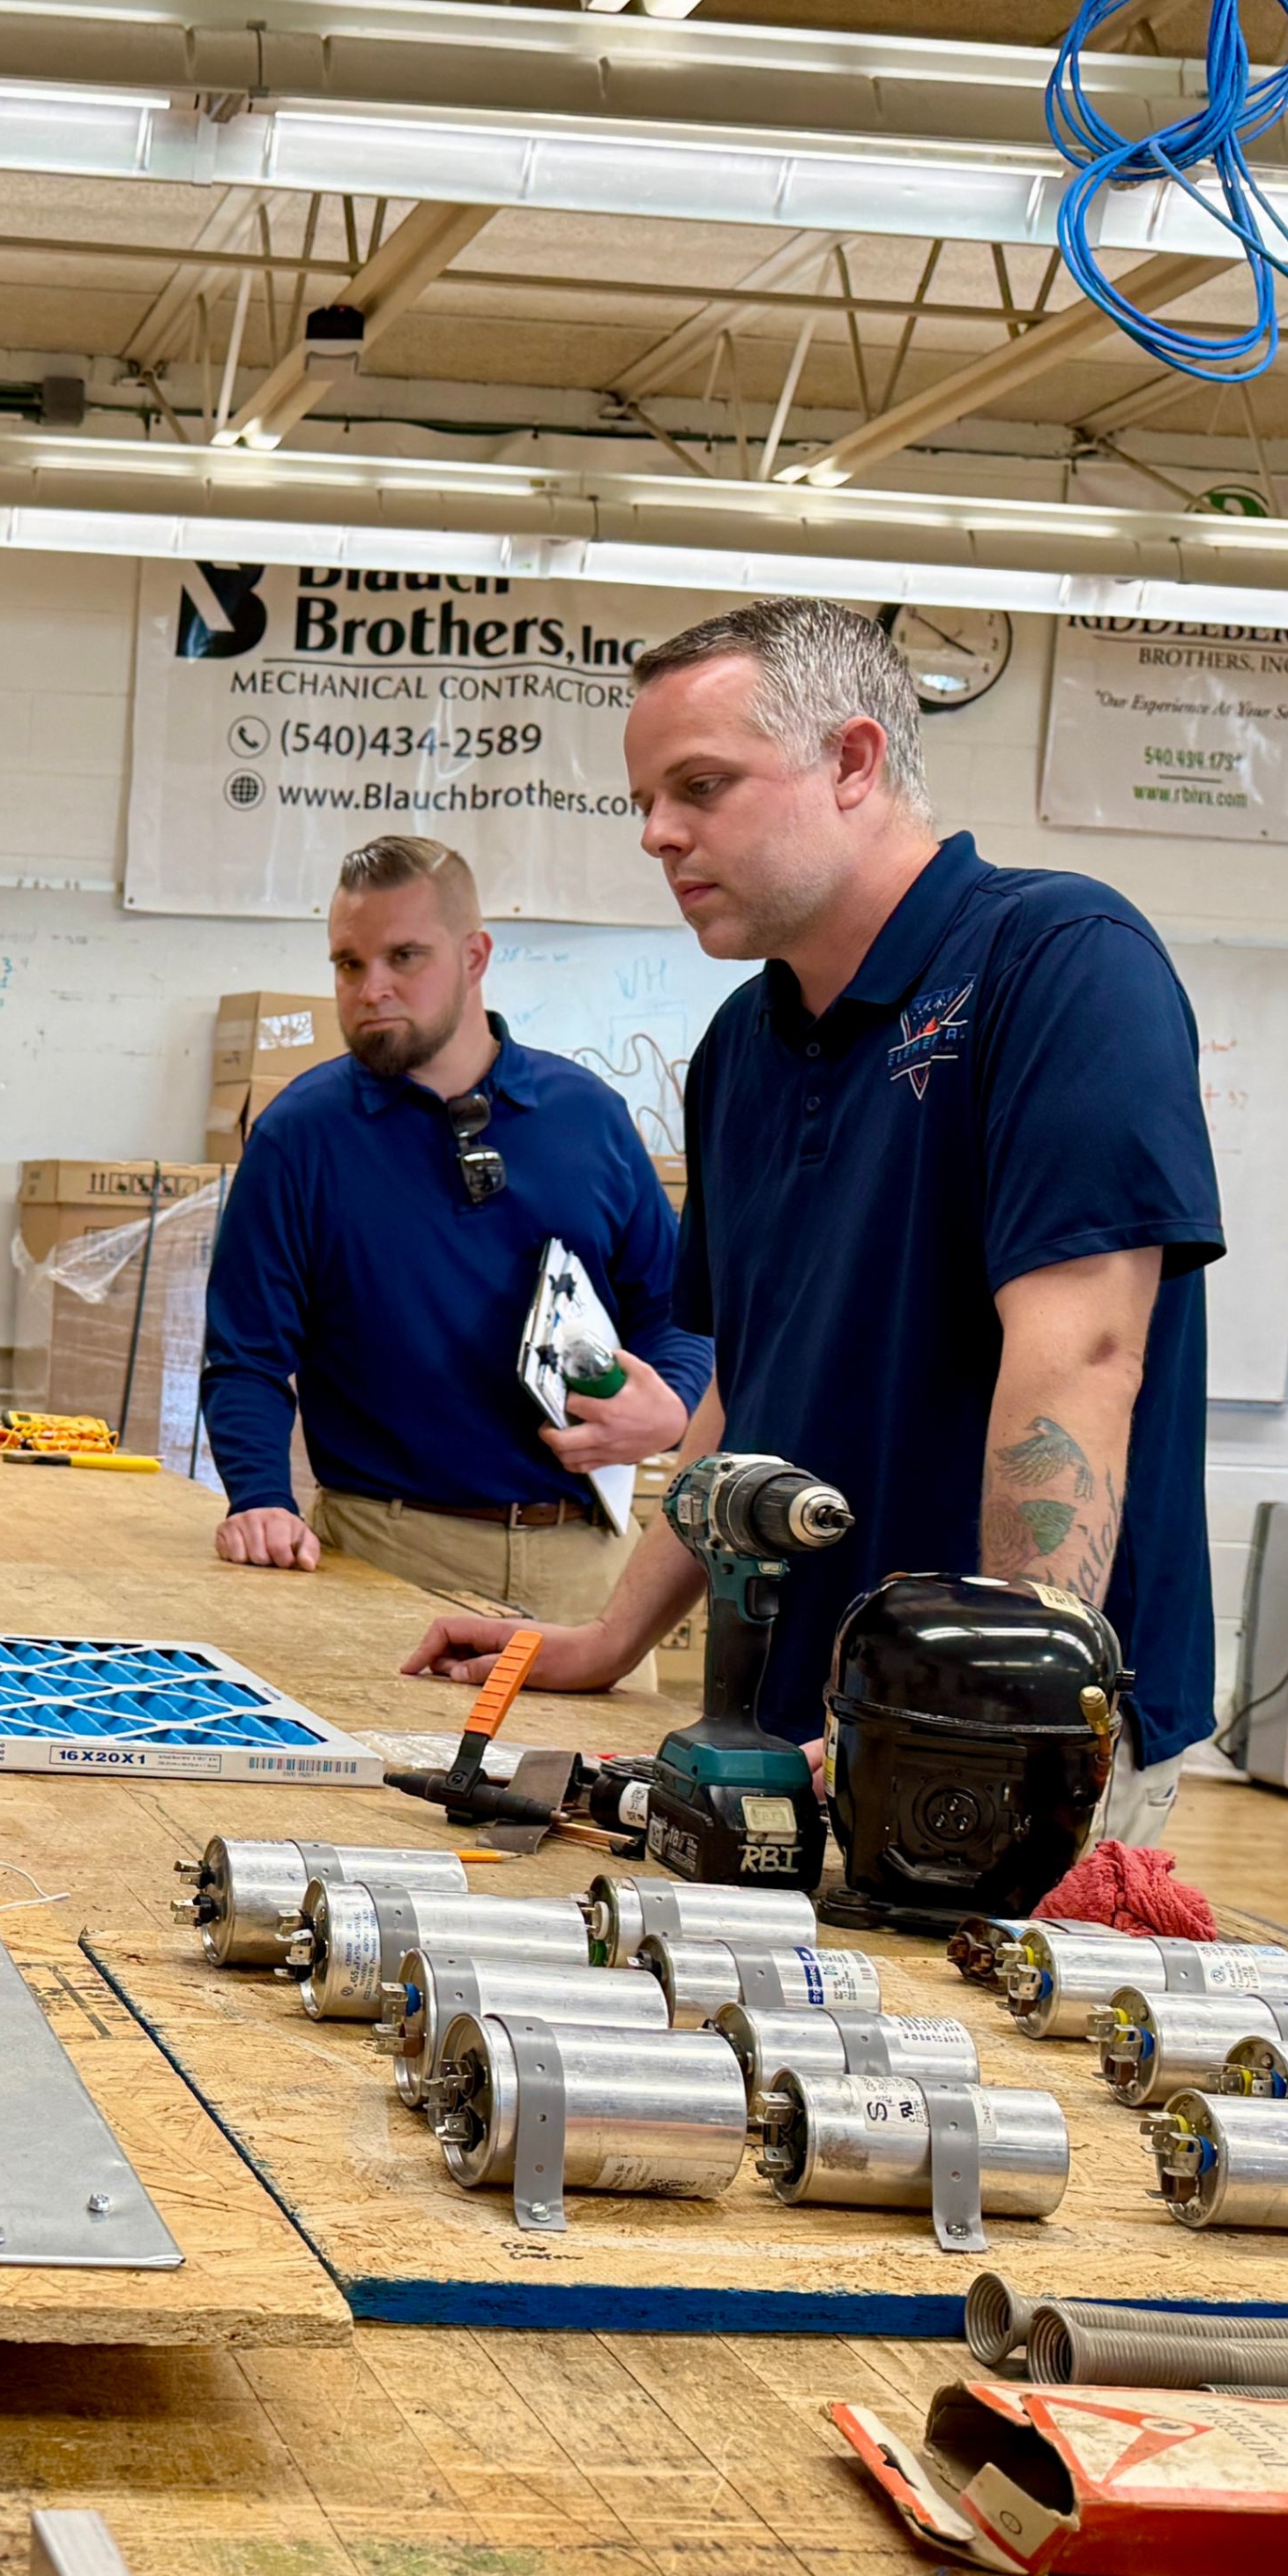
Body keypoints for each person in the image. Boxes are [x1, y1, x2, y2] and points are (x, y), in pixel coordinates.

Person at [414, 600, 1221, 1842]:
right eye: (646, 799)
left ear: (852, 761)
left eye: (700, 785)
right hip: (794, 1718)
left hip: (1006, 1743)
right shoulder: (741, 1044)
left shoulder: (1059, 963)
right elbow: (748, 1387)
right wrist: (613, 1634)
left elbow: (1085, 1358)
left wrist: (977, 1706)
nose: (656, 833)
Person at [200, 834, 707, 1633]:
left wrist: (672, 1408)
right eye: (347, 963)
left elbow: (678, 1311)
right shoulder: (299, 1137)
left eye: (404, 956)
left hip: (588, 1574)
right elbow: (245, 1356)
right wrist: (261, 1499)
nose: (372, 989)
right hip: (383, 1562)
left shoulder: (588, 1118)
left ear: (475, 956)